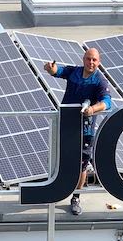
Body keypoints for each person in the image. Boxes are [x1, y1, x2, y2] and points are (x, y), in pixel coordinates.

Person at [44, 48, 113, 215]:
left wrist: (93, 109)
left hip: (85, 129)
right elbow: (58, 71)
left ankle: (76, 197)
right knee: (60, 157)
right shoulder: (74, 72)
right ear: (83, 59)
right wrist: (51, 69)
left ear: (99, 62)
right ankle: (55, 187)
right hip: (66, 124)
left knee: (81, 164)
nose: (91, 62)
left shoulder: (100, 81)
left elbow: (107, 102)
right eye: (88, 59)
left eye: (94, 60)